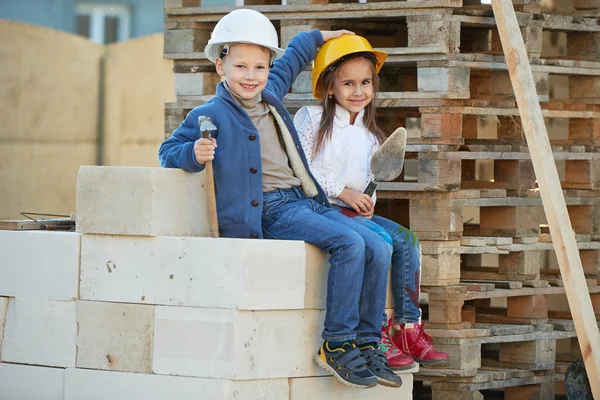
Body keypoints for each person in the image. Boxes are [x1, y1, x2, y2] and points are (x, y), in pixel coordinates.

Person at [158, 9, 402, 389]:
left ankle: (368, 343)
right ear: (220, 66)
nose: (251, 76)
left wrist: (321, 35)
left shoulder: (270, 95)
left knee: (380, 244)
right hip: (268, 210)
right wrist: (194, 154)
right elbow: (167, 150)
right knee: (349, 242)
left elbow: (293, 58)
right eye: (241, 66)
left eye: (259, 67)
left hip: (303, 200)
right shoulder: (210, 114)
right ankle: (337, 344)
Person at [294, 34, 450, 369]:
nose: (358, 91)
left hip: (352, 213)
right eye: (348, 83)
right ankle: (374, 332)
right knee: (379, 243)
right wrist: (343, 192)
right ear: (329, 87)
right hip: (321, 210)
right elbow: (300, 168)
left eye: (366, 82)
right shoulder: (310, 119)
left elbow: (369, 183)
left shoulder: (371, 136)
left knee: (407, 240)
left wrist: (366, 200)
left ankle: (408, 327)